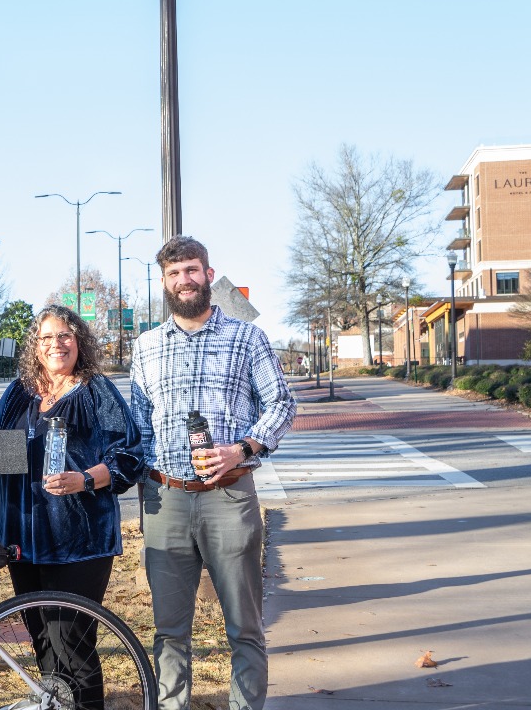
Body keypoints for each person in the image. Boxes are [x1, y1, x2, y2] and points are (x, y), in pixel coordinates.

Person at [129, 237, 296, 710]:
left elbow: (282, 403)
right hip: (167, 499)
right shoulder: (146, 347)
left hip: (230, 496)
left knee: (244, 626)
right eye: (174, 273)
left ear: (208, 273)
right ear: (163, 282)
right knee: (169, 632)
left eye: (192, 270)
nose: (184, 280)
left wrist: (241, 449)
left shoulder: (247, 338)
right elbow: (139, 424)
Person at [0, 304, 144, 710]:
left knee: (72, 643)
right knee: (41, 639)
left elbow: (129, 455)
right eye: (47, 338)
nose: (57, 344)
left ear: (79, 342)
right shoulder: (20, 392)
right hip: (23, 538)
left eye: (65, 336)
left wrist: (86, 479)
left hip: (78, 540)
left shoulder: (94, 390)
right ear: (34, 347)